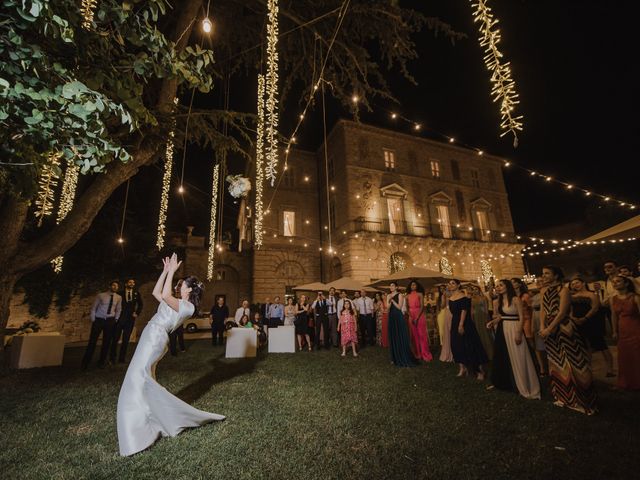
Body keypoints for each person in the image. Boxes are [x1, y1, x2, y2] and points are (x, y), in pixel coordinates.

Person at [117, 253, 224, 456]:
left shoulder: (188, 307)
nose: (178, 286)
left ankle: (137, 428)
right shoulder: (175, 301)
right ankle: (149, 418)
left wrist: (173, 271)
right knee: (141, 377)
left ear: (190, 289)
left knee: (137, 376)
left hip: (156, 338)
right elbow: (158, 292)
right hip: (151, 333)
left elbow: (165, 296)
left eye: (181, 284)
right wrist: (165, 271)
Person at [540, 265, 597, 415]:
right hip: (548, 329)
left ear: (556, 276)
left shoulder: (564, 290)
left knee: (573, 363)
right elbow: (543, 311)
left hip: (564, 327)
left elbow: (563, 312)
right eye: (543, 274)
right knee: (555, 362)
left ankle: (582, 400)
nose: (543, 276)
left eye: (547, 273)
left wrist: (550, 328)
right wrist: (542, 327)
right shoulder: (543, 290)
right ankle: (563, 397)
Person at [488, 279, 540, 399]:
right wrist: (493, 321)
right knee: (503, 355)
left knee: (519, 356)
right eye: (497, 286)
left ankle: (525, 385)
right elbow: (502, 316)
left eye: (501, 285)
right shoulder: (499, 301)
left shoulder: (516, 299)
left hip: (514, 328)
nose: (498, 287)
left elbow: (521, 317)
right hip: (503, 329)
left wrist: (518, 333)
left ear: (507, 286)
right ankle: (506, 383)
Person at [569, 277, 614, 377]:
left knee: (601, 345)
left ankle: (610, 369)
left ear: (583, 283)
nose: (575, 285)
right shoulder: (572, 296)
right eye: (573, 284)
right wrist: (573, 318)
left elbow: (595, 308)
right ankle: (588, 369)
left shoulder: (591, 295)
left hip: (591, 322)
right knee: (584, 346)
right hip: (577, 323)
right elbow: (570, 310)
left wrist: (585, 318)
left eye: (577, 282)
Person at [448, 279, 488, 379]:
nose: (450, 285)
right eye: (449, 283)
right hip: (455, 322)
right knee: (456, 344)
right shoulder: (451, 298)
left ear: (458, 285)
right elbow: (453, 313)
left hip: (465, 322)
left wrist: (461, 325)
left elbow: (464, 310)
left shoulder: (463, 296)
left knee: (471, 345)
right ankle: (462, 367)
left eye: (453, 283)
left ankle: (479, 370)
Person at [82, 281, 122, 369]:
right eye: (114, 285)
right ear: (109, 286)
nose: (115, 287)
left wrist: (116, 319)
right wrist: (93, 319)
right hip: (99, 320)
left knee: (106, 342)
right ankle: (85, 362)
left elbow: (119, 309)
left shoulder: (118, 297)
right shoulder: (101, 295)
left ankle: (101, 362)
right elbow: (93, 308)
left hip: (110, 321)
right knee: (92, 342)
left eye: (117, 286)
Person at [611, 275, 640, 390]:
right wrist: (614, 331)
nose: (615, 283)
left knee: (636, 355)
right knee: (624, 356)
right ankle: (625, 382)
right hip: (622, 330)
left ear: (626, 283)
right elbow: (613, 316)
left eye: (618, 281)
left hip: (635, 328)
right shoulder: (613, 298)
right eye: (613, 282)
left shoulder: (635, 297)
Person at [110, 278, 143, 364]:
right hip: (119, 319)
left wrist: (137, 313)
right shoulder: (119, 294)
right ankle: (112, 358)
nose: (132, 284)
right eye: (130, 282)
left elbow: (140, 304)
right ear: (126, 284)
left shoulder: (136, 293)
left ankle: (122, 359)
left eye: (133, 282)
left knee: (126, 340)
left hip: (130, 320)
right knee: (115, 339)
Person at [386, 282, 415, 367]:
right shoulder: (388, 295)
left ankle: (402, 355)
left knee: (399, 336)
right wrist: (390, 301)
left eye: (392, 285)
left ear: (396, 287)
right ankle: (393, 357)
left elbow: (399, 307)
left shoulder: (400, 295)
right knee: (393, 336)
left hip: (398, 317)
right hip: (391, 317)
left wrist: (392, 301)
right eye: (390, 285)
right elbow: (387, 308)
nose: (391, 287)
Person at [406, 280, 432, 362]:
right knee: (414, 336)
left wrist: (417, 317)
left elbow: (422, 306)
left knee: (422, 335)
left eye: (414, 285)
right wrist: (410, 315)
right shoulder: (407, 296)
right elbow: (406, 307)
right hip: (411, 315)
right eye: (411, 285)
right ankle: (418, 354)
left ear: (417, 286)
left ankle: (425, 354)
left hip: (419, 315)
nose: (413, 286)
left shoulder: (420, 294)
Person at [529, 279, 548, 376]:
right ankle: (542, 368)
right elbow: (532, 311)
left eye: (541, 281)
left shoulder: (549, 293)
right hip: (536, 319)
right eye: (538, 281)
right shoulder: (535, 296)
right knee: (538, 345)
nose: (539, 282)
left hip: (546, 318)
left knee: (548, 343)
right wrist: (532, 325)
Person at [471, 285, 493, 360]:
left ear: (479, 290)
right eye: (473, 289)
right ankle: (480, 352)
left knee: (486, 333)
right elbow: (472, 310)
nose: (475, 291)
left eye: (476, 289)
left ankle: (489, 353)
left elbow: (486, 309)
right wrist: (472, 319)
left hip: (483, 316)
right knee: (478, 333)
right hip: (476, 317)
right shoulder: (472, 299)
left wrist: (487, 318)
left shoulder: (484, 298)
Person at [511, 278, 533, 351]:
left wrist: (532, 321)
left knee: (529, 337)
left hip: (526, 318)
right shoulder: (512, 297)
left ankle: (535, 355)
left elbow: (531, 309)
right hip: (518, 320)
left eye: (513, 282)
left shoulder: (525, 295)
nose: (512, 284)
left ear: (519, 284)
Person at [438, 285, 453, 362]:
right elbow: (442, 306)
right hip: (447, 313)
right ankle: (448, 349)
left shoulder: (453, 294)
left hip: (451, 313)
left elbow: (442, 305)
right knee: (446, 331)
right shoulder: (444, 296)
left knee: (450, 331)